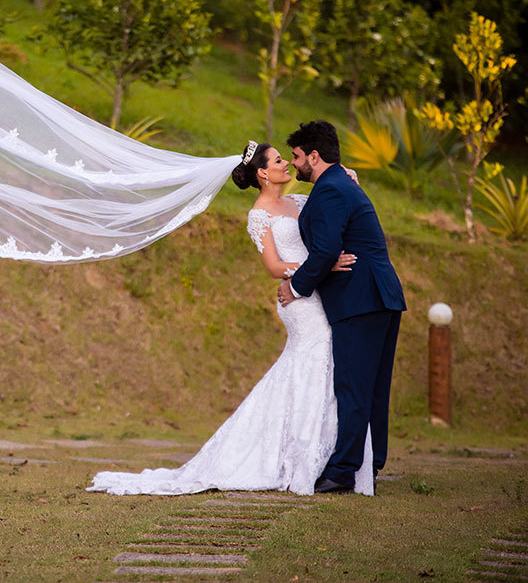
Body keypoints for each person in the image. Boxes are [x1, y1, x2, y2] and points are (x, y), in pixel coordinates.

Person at [87, 139, 375, 496]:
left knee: (323, 366)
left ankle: (324, 454)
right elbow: (273, 266)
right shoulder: (259, 215)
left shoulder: (301, 202)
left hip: (318, 293)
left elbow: (330, 213)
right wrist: (317, 268)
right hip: (300, 301)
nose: (286, 165)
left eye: (287, 159)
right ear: (262, 173)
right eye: (279, 161)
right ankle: (300, 456)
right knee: (312, 362)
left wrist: (347, 178)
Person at [279, 121, 406, 494]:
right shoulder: (339, 183)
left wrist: (295, 287)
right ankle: (370, 462)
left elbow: (325, 250)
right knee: (372, 387)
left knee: (352, 384)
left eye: (297, 157)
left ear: (314, 156)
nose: (294, 163)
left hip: (360, 298)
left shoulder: (332, 190)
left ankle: (344, 471)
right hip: (378, 296)